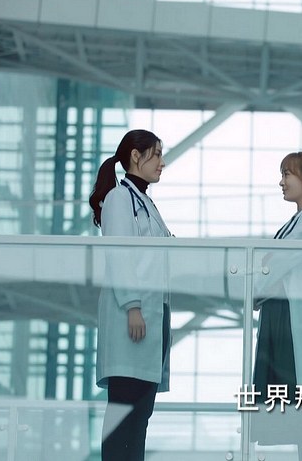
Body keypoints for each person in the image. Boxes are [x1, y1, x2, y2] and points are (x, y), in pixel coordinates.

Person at [88, 129, 172, 461]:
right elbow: (119, 255)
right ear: (136, 156)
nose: (162, 163)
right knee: (123, 409)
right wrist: (133, 306)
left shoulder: (145, 202)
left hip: (153, 315)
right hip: (132, 315)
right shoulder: (119, 199)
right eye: (157, 154)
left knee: (140, 415)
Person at [252, 150, 302, 461]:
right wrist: (269, 266)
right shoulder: (296, 221)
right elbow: (272, 264)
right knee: (289, 396)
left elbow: (281, 260)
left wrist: (269, 265)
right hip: (280, 312)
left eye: (287, 174)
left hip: (294, 315)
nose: (281, 182)